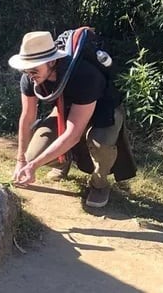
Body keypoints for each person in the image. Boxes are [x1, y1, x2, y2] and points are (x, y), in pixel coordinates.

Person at [8, 31, 136, 208]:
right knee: (32, 155)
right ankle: (62, 162)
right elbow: (27, 117)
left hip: (104, 110)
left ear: (52, 61)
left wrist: (33, 167)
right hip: (66, 110)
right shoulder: (30, 77)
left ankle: (99, 184)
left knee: (101, 144)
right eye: (25, 69)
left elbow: (73, 134)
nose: (29, 74)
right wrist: (22, 161)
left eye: (34, 69)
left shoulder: (85, 75)